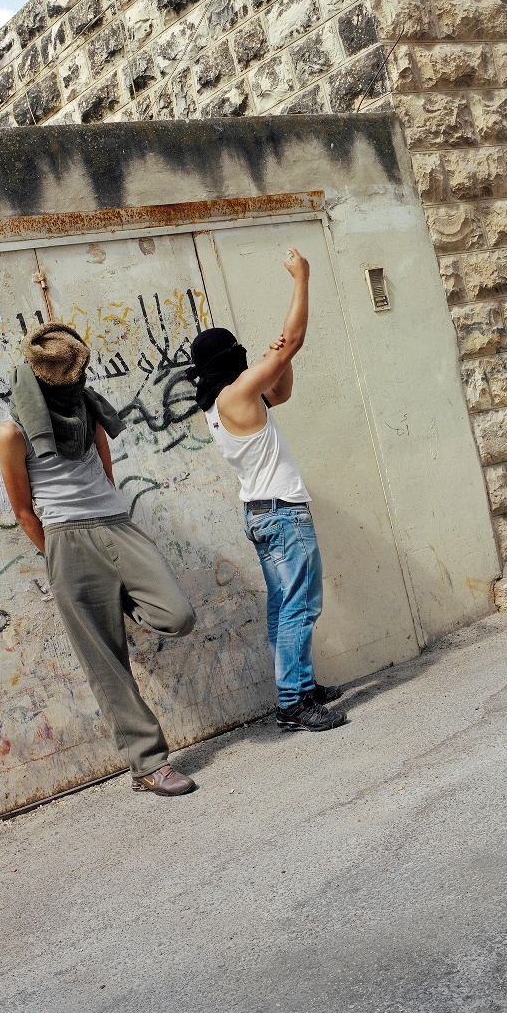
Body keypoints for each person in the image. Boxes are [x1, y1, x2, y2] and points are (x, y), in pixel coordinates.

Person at [0, 322, 199, 796]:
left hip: (115, 526)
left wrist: (111, 535)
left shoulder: (88, 409)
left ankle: (121, 597)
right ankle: (148, 764)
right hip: (66, 541)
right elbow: (25, 512)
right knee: (106, 664)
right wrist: (63, 560)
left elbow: (105, 474)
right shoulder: (12, 432)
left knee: (178, 615)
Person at [186, 248, 347, 733]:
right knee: (302, 604)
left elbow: (282, 391)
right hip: (282, 516)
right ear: (227, 359)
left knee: (284, 605)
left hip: (263, 515)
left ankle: (297, 688)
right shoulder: (236, 395)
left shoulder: (223, 403)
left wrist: (277, 362)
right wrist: (303, 277)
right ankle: (294, 705)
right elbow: (294, 339)